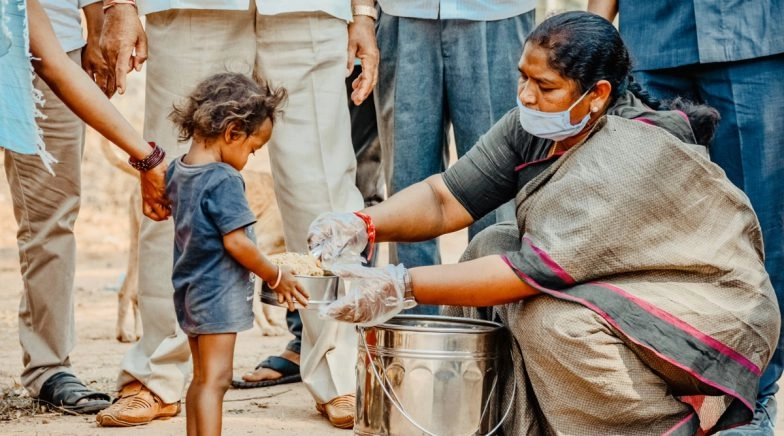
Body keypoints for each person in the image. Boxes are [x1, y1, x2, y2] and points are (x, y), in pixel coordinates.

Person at [307, 11, 780, 434]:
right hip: (624, 287)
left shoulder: (631, 150)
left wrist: (400, 284)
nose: (527, 96)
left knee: (550, 320)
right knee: (489, 242)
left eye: (546, 87)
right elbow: (446, 197)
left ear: (597, 95)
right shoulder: (537, 124)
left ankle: (663, 424)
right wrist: (362, 223)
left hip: (704, 312)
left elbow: (529, 272)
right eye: (522, 79)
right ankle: (500, 417)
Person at [97, 0, 378, 428]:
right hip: (192, 8)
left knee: (324, 193)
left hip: (310, 11)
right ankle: (156, 374)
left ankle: (338, 372)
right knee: (173, 186)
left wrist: (363, 12)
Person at [585, 3, 784, 433]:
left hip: (755, 37)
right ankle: (656, 402)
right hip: (650, 40)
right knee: (641, 229)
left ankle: (751, 401)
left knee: (763, 227)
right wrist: (596, 31)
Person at [0, 0, 169, 414]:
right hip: (33, 46)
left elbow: (53, 58)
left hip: (52, 41)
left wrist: (98, 22)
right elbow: (52, 64)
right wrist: (146, 157)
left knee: (53, 214)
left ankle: (49, 367)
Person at [165, 72, 307, 435]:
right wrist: (276, 275)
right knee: (217, 380)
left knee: (200, 379)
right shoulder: (224, 179)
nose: (250, 157)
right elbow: (238, 242)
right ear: (232, 133)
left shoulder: (178, 170)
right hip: (217, 293)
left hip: (189, 289)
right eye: (253, 148)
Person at [373, 0, 535, 314]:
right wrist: (364, 15)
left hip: (497, 12)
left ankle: (494, 339)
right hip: (403, 12)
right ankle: (413, 342)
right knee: (406, 185)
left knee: (498, 190)